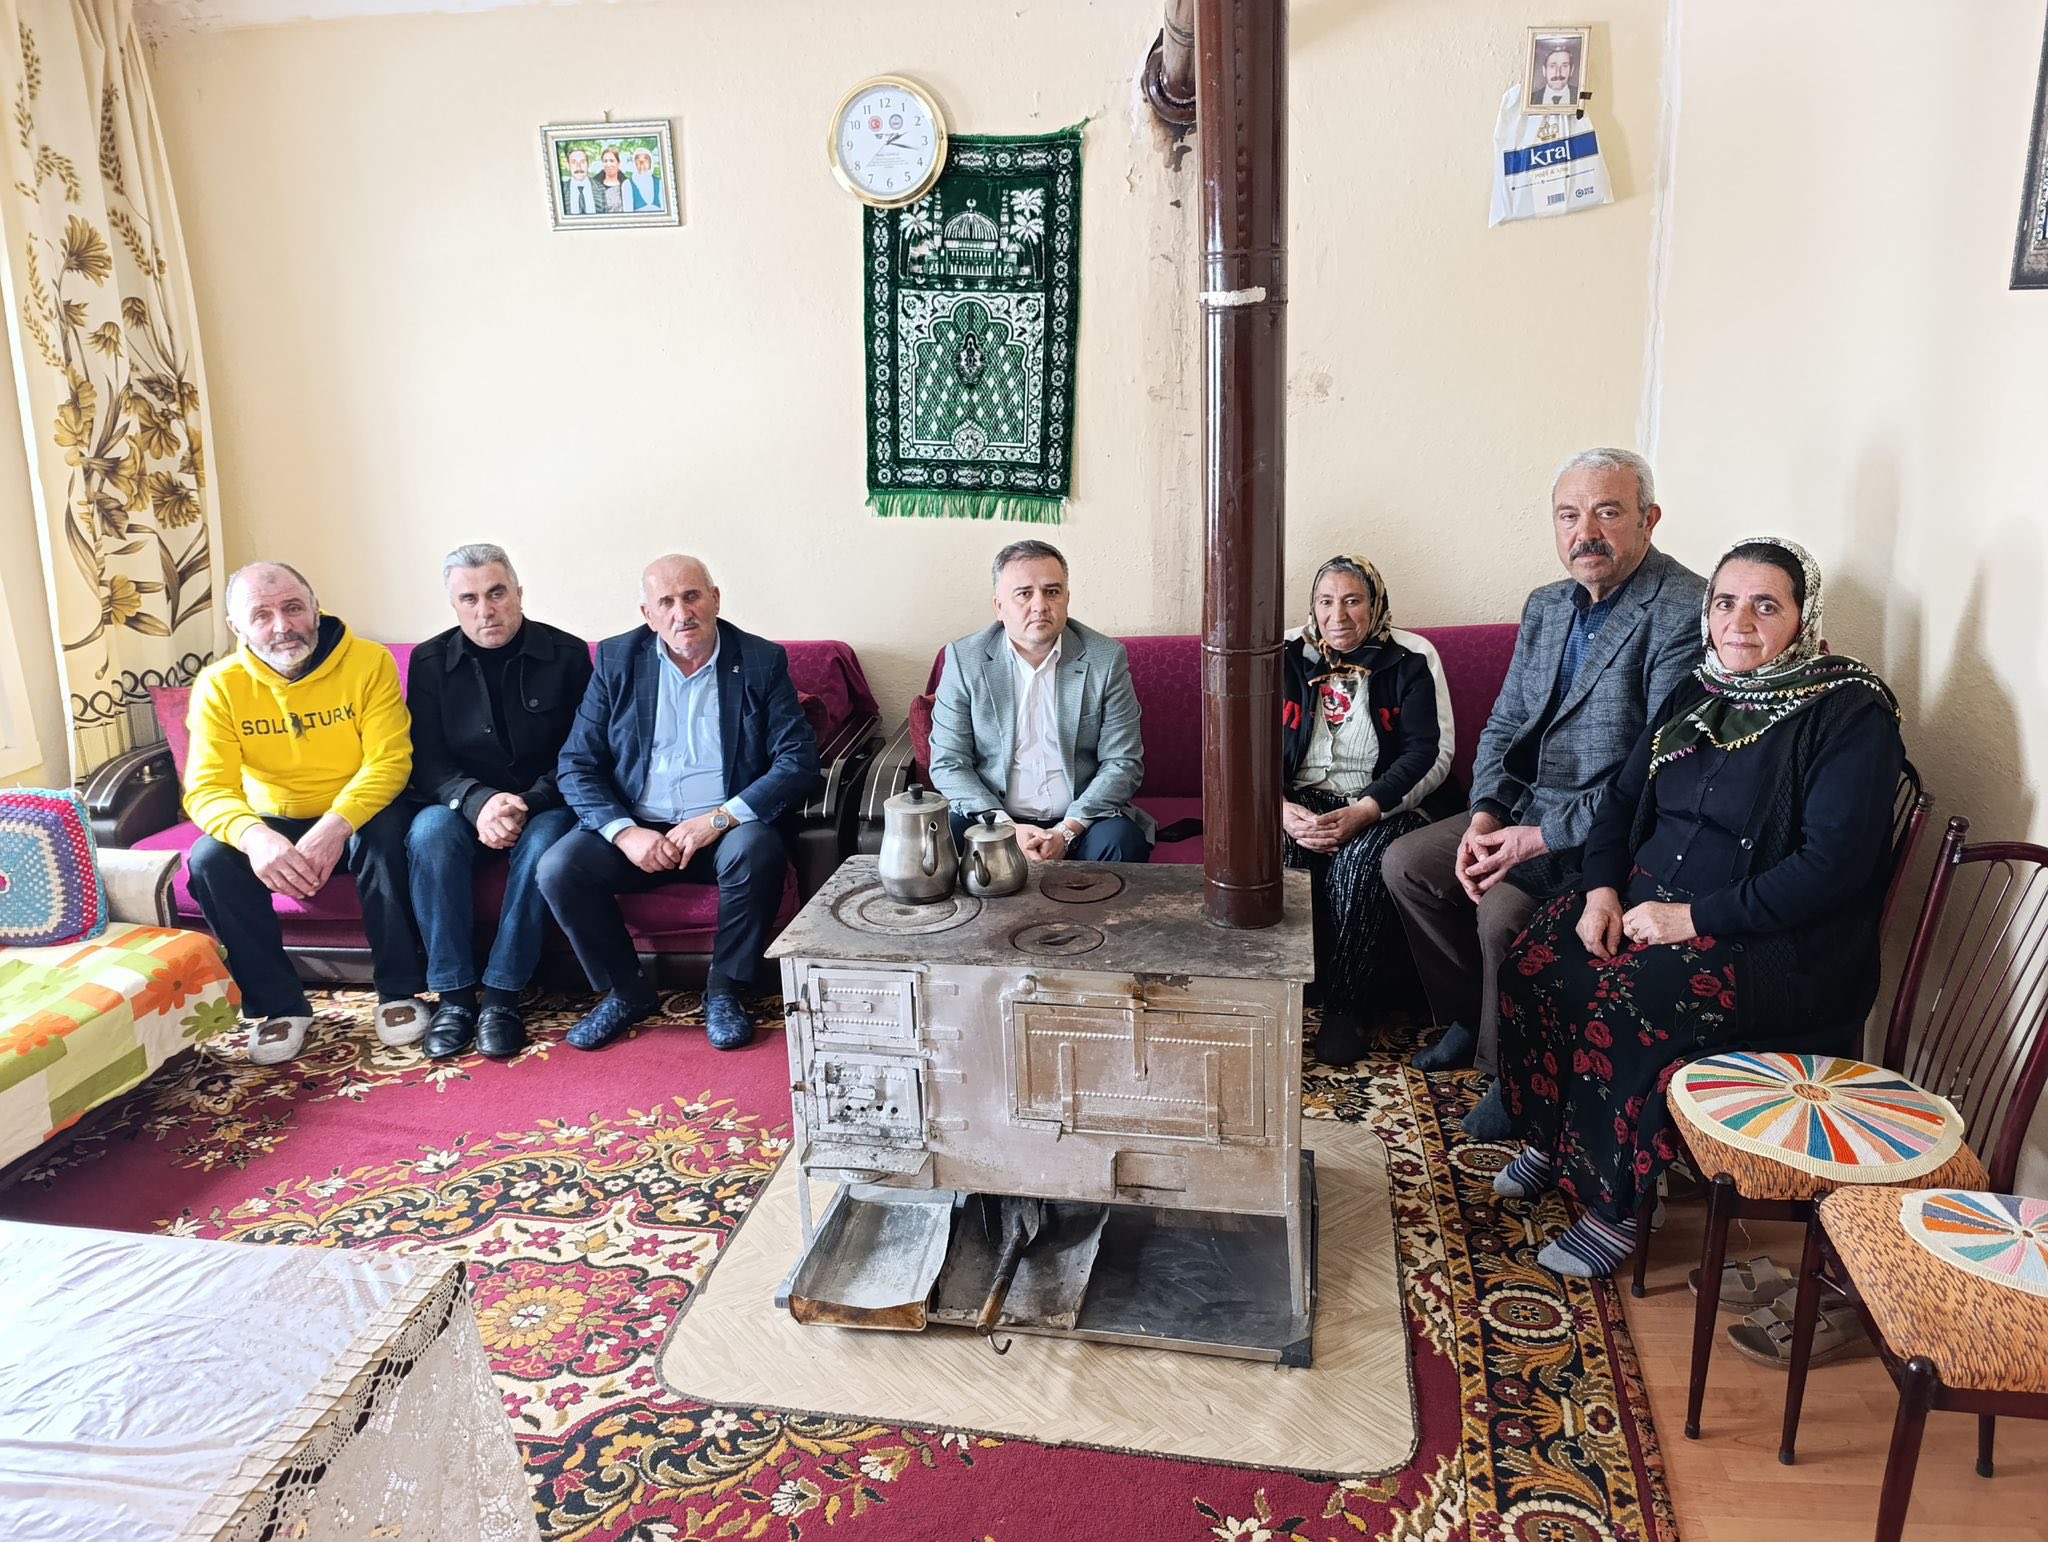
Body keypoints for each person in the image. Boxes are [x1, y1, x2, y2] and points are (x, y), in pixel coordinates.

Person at [1487, 537, 1905, 1277]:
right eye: (1725, 602)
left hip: (1774, 941)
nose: (1739, 622)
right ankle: (1552, 1140)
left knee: (1630, 1000)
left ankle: (1615, 1206)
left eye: (1765, 605)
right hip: (1651, 903)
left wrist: (1693, 921)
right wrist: (1601, 890)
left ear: (1803, 618)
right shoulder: (1698, 690)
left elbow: (1829, 868)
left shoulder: (1848, 713)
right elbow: (1619, 804)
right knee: (1540, 959)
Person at [1384, 448, 1707, 1138]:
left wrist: (1538, 837)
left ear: (1649, 520)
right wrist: (1485, 814)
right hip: (1525, 805)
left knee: (1500, 914)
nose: (1585, 530)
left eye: (1608, 512)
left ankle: (1512, 1075)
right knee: (1408, 866)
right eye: (1569, 514)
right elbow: (1505, 719)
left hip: (1605, 827)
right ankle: (1474, 1014)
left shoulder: (1683, 607)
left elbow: (1649, 765)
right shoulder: (1547, 605)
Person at [538, 555, 821, 1052]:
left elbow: (797, 761)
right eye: (665, 602)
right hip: (639, 827)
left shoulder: (759, 661)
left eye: (691, 596)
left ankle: (725, 990)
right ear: (647, 614)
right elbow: (576, 763)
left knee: (759, 852)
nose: (681, 613)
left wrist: (717, 820)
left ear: (715, 599)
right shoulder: (616, 660)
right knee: (559, 867)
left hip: (723, 827)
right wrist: (625, 832)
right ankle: (626, 991)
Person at [183, 562, 428, 1064]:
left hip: (358, 810)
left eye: (294, 607)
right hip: (273, 818)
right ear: (237, 627)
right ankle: (278, 1006)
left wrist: (336, 826)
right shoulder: (218, 685)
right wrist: (254, 837)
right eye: (262, 614)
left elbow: (389, 761)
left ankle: (399, 991)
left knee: (388, 839)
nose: (283, 625)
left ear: (315, 608)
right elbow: (207, 789)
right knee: (208, 860)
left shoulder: (369, 662)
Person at [405, 544, 592, 1061]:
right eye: (469, 599)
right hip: (462, 804)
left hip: (546, 802)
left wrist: (525, 802)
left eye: (496, 593)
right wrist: (479, 802)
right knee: (427, 833)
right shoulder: (429, 661)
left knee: (545, 843)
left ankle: (503, 997)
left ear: (518, 593)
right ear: (454, 605)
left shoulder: (569, 655)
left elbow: (583, 752)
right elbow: (427, 761)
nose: (485, 611)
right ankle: (456, 998)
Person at [1280, 556, 1456, 1064]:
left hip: (1382, 800)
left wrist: (1367, 809)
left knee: (1359, 867)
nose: (1339, 615)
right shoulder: (1284, 653)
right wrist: (1280, 810)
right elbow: (1242, 744)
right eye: (1326, 601)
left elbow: (1429, 752)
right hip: (1301, 796)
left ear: (1374, 603)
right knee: (1286, 860)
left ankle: (1347, 1006)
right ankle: (1290, 996)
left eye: (1353, 600)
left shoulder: (1413, 656)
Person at [927, 540, 1152, 863]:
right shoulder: (965, 660)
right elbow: (949, 762)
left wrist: (1067, 831)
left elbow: (1123, 762)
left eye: (1052, 591)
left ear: (1067, 599)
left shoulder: (1105, 659)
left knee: (1121, 843)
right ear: (999, 606)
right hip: (992, 817)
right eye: (1024, 593)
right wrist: (1004, 827)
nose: (1040, 605)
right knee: (940, 839)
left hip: (1083, 818)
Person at [560, 148, 597, 217]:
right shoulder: (560, 191)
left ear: (588, 164)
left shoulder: (601, 189)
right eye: (574, 162)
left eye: (582, 162)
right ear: (568, 166)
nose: (578, 167)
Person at [594, 147, 629, 214]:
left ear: (618, 164)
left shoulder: (627, 186)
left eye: (611, 161)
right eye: (605, 161)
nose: (608, 164)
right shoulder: (594, 186)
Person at [627, 148, 663, 212]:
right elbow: (627, 212)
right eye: (638, 160)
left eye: (645, 159)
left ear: (650, 162)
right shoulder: (627, 184)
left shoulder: (660, 183)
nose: (641, 162)